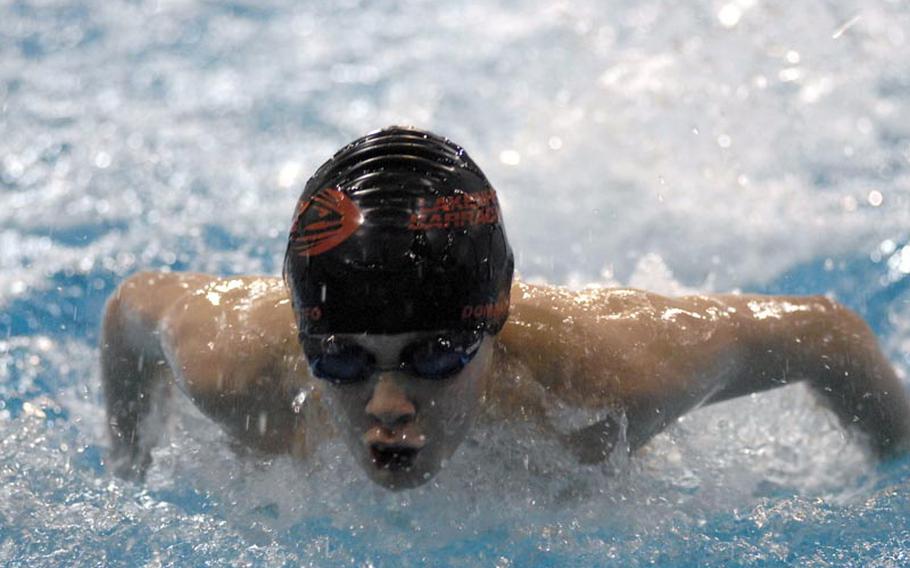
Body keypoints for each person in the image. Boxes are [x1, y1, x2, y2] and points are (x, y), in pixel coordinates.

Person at [101, 126, 910, 490]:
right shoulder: (233, 366)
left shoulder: (604, 385)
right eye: (344, 360)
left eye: (434, 357)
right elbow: (130, 308)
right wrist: (127, 466)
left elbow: (824, 333)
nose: (386, 404)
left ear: (494, 327)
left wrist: (895, 471)